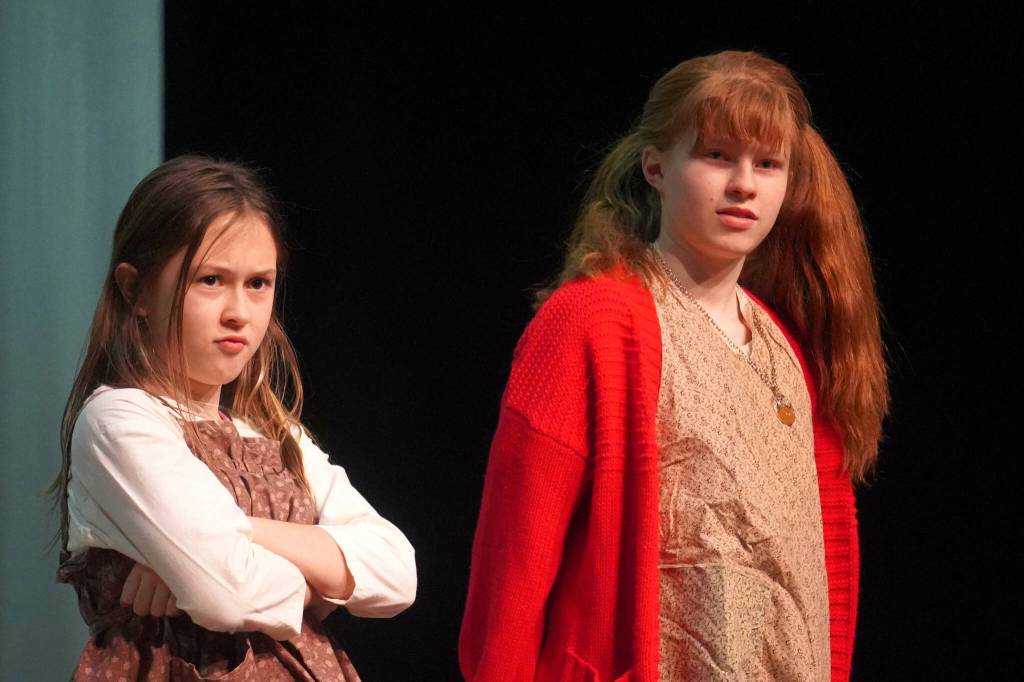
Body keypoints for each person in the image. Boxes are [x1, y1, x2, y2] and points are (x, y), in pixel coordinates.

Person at [459, 50, 888, 681]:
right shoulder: (590, 321)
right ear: (656, 166)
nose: (744, 184)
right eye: (717, 155)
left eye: (767, 165)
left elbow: (809, 574)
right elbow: (513, 568)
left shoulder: (783, 352)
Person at [51, 155, 417, 680]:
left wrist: (236, 533)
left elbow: (397, 571)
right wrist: (327, 584)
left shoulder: (274, 433)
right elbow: (229, 592)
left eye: (258, 284)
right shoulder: (121, 420)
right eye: (210, 280)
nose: (239, 312)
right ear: (135, 291)